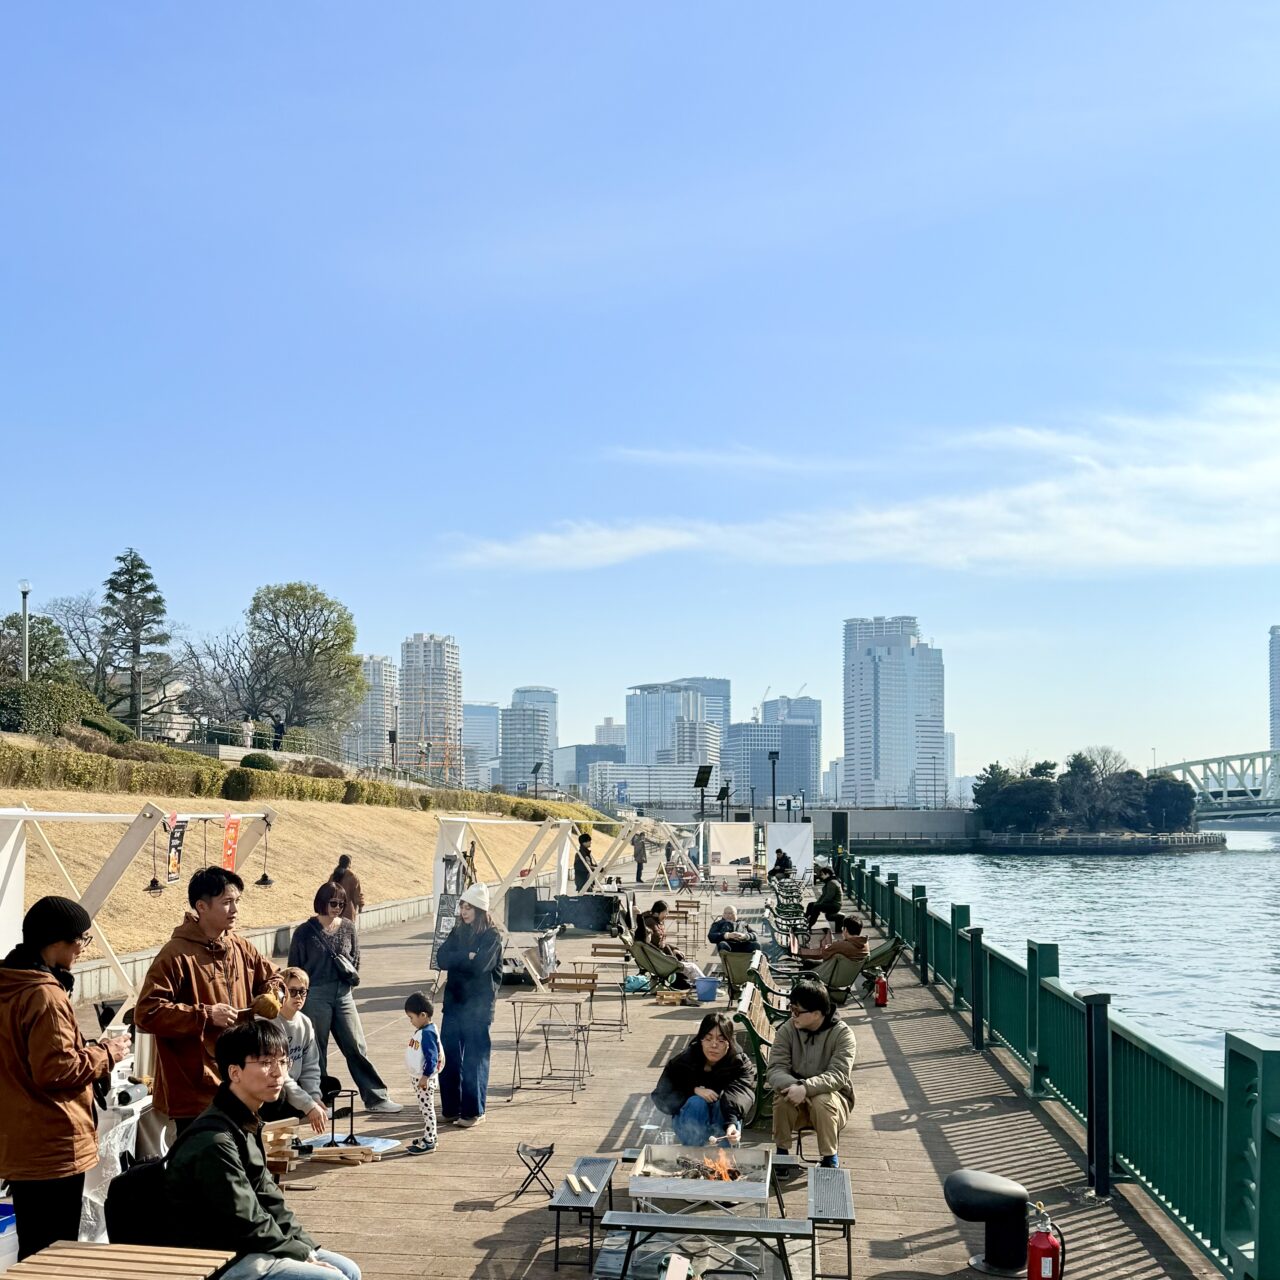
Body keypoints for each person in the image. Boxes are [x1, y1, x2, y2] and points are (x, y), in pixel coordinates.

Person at [168, 1021, 361, 1279]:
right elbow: (244, 1218)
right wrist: (299, 1253)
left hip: (249, 1245)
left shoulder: (245, 1122)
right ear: (234, 1072)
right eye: (265, 1062)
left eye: (282, 1061)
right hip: (219, 1256)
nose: (277, 1072)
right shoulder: (214, 1140)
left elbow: (269, 1198)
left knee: (349, 1270)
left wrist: (306, 1247)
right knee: (333, 1278)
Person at [0, 896, 129, 1260]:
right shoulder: (44, 994)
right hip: (51, 1143)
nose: (82, 950)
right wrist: (107, 1053)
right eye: (81, 940)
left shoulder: (10, 982)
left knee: (33, 1248)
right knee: (54, 1254)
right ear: (57, 942)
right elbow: (56, 1069)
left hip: (19, 1138)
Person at [135, 867, 281, 1133]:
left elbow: (275, 977)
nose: (235, 909)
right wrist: (205, 1015)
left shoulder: (240, 946)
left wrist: (273, 995)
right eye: (227, 902)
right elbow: (147, 1012)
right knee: (205, 1166)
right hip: (196, 1090)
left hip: (241, 1081)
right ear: (201, 906)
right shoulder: (175, 955)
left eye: (237, 901)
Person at [287, 881, 400, 1114]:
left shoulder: (348, 927)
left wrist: (347, 983)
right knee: (316, 1050)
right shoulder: (304, 932)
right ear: (322, 902)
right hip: (315, 993)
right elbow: (294, 968)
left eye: (341, 903)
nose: (337, 907)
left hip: (344, 993)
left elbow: (355, 960)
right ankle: (318, 1103)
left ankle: (376, 1097)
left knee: (356, 1045)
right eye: (333, 903)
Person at [767, 978, 856, 1169]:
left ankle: (829, 1156)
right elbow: (775, 1068)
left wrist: (806, 1088)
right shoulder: (788, 1029)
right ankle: (782, 1153)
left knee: (821, 1099)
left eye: (798, 1011)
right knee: (782, 1099)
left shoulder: (843, 1034)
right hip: (795, 1097)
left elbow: (839, 1074)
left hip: (833, 1101)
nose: (793, 1015)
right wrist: (795, 1087)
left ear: (816, 1014)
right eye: (792, 1008)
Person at [436, 882, 504, 1128]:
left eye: (469, 908)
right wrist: (466, 956)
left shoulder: (492, 936)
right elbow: (441, 958)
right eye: (462, 907)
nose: (464, 912)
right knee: (449, 1057)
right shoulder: (458, 932)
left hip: (479, 1006)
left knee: (475, 1059)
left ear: (480, 910)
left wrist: (460, 960)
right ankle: (452, 1108)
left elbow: (481, 966)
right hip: (454, 1003)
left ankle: (474, 1110)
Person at [651, 1012, 756, 1146]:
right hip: (691, 1122)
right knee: (697, 1102)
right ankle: (693, 1154)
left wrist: (731, 1124)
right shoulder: (683, 1062)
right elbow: (661, 1095)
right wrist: (693, 1089)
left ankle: (726, 1157)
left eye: (721, 1040)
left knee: (722, 1103)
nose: (714, 1045)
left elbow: (740, 1095)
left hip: (724, 1120)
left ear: (729, 1042)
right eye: (708, 1038)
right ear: (701, 1039)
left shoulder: (739, 1063)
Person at [261, 967, 327, 1134]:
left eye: (303, 991)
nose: (298, 997)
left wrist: (314, 1097)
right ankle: (275, 1128)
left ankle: (301, 1114)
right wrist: (308, 1105)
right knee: (280, 1093)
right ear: (281, 993)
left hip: (293, 1080)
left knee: (330, 1085)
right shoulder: (269, 1022)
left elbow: (310, 1066)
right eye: (293, 991)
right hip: (272, 1082)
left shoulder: (304, 1022)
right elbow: (280, 1075)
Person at [403, 992, 444, 1154]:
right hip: (420, 1077)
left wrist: (425, 1077)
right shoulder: (424, 1029)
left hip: (423, 1079)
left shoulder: (427, 1033)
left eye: (411, 1018)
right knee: (424, 1108)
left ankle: (430, 1141)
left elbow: (432, 1058)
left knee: (427, 1110)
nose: (411, 1021)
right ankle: (430, 1135)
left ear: (423, 1015)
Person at [637, 900, 705, 983]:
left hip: (660, 961)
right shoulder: (651, 923)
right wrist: (665, 946)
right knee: (692, 967)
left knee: (682, 959)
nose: (667, 915)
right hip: (662, 962)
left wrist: (673, 949)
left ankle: (693, 982)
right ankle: (705, 984)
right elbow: (658, 943)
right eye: (665, 912)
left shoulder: (653, 922)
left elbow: (659, 943)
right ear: (658, 912)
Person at [329, 854, 365, 924]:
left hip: (334, 909)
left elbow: (327, 892)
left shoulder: (333, 876)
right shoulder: (352, 877)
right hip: (347, 911)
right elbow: (357, 894)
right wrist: (360, 905)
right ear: (349, 863)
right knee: (347, 932)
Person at [805, 865, 844, 929]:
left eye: (822, 874)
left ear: (827, 874)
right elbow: (823, 896)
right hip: (830, 903)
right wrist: (817, 902)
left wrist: (818, 904)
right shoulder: (829, 882)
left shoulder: (832, 883)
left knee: (816, 907)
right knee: (811, 904)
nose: (821, 876)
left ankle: (810, 925)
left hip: (835, 905)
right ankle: (805, 918)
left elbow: (829, 897)